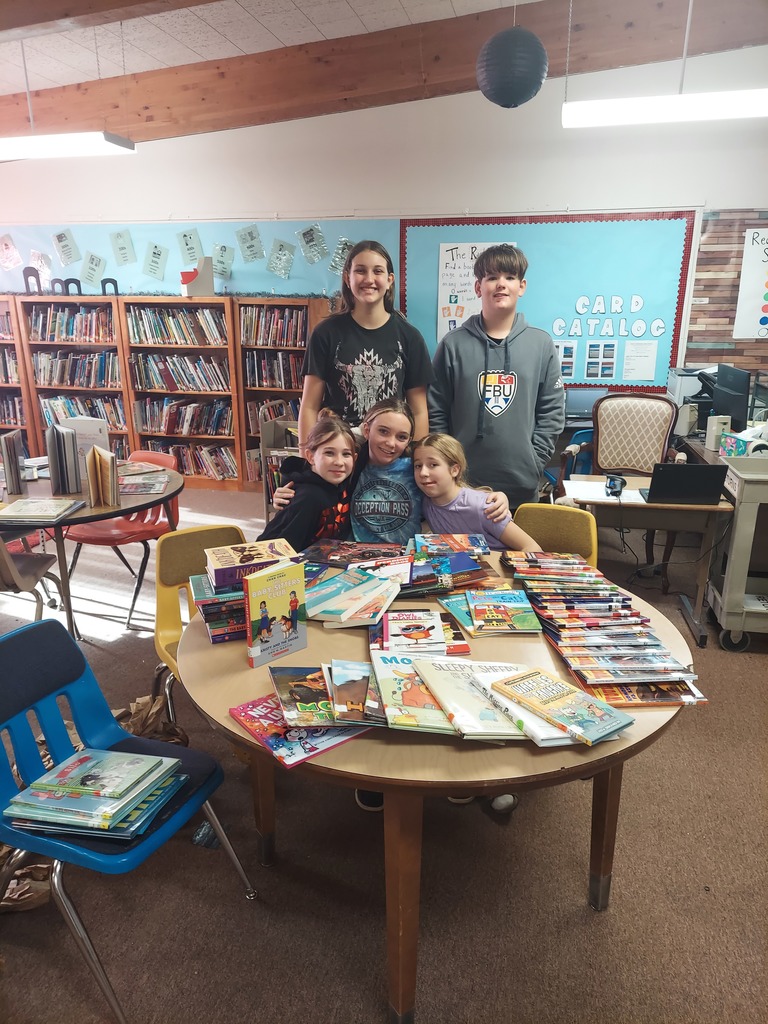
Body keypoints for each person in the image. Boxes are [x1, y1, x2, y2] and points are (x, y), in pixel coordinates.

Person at [428, 243, 565, 509]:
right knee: (463, 552)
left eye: (510, 277)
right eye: (492, 277)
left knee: (517, 551)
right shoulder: (453, 345)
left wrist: (534, 462)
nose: (501, 284)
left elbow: (552, 411)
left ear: (521, 286)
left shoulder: (541, 344)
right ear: (478, 287)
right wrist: (446, 464)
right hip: (462, 486)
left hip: (521, 487)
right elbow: (437, 410)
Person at [273, 397, 510, 546]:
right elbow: (312, 474)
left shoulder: (415, 468)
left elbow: (449, 488)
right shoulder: (351, 465)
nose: (391, 443)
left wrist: (493, 497)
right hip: (355, 559)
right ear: (367, 430)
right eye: (383, 432)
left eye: (401, 437)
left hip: (405, 561)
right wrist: (287, 492)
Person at [298, 240, 434, 448]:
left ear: (389, 280)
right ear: (347, 278)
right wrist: (308, 458)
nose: (369, 279)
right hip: (338, 454)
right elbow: (309, 406)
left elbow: (419, 411)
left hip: (389, 454)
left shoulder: (410, 338)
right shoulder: (325, 334)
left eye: (377, 271)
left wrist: (414, 461)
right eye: (360, 271)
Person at [412, 433, 540, 553]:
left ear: (455, 470)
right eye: (418, 465)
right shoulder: (425, 501)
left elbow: (532, 547)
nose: (423, 473)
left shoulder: (482, 507)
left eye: (433, 464)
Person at [257, 410, 356, 552]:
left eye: (346, 454)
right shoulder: (308, 498)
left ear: (355, 458)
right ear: (310, 456)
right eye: (329, 453)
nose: (339, 462)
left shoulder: (344, 482)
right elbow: (282, 550)